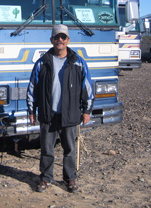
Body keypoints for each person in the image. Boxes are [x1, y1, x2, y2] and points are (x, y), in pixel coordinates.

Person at [27, 24, 94, 193]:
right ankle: (45, 178)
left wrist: (87, 111)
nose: (60, 40)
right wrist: (31, 110)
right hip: (48, 114)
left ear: (68, 40)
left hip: (70, 114)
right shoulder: (42, 63)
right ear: (51, 40)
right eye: (57, 37)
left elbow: (88, 89)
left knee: (70, 149)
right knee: (47, 149)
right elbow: (32, 88)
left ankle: (70, 178)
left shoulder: (78, 62)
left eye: (63, 37)